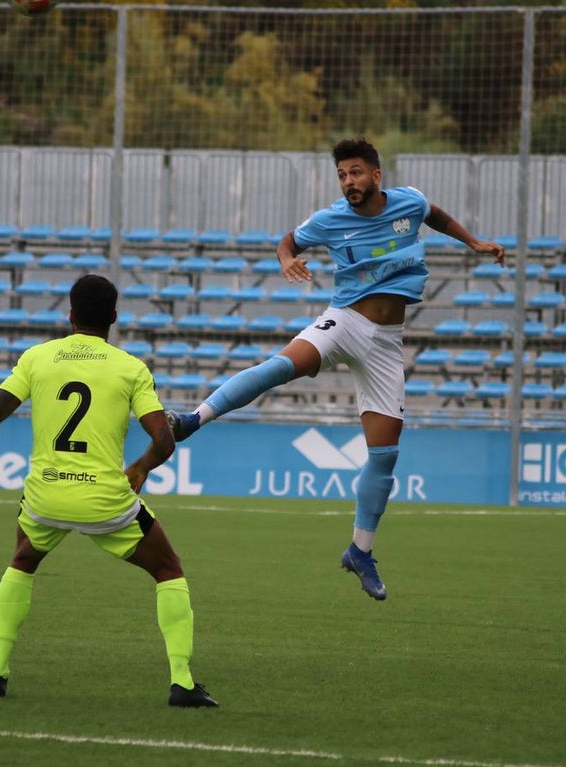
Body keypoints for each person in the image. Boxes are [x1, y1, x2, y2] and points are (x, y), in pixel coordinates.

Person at [167, 137, 506, 601]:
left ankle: (360, 552)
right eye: (343, 175)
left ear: (376, 175)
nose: (349, 182)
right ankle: (192, 420)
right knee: (281, 366)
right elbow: (288, 240)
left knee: (385, 456)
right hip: (343, 320)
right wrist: (289, 260)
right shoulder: (330, 219)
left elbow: (435, 215)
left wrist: (474, 242)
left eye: (355, 173)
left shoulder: (409, 202)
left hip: (387, 344)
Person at [0, 273, 218, 708]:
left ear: (70, 315)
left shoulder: (38, 358)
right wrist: (140, 467)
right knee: (168, 568)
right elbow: (165, 440)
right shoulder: (130, 368)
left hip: (45, 499)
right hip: (105, 502)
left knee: (22, 561)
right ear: (113, 317)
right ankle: (182, 683)